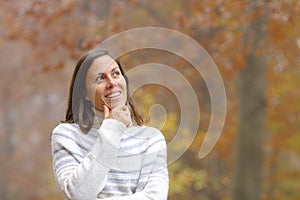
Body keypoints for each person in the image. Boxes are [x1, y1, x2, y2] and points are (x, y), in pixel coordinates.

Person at [51, 48, 169, 200]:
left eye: (116, 74)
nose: (112, 83)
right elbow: (78, 195)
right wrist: (112, 129)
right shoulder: (67, 136)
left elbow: (155, 198)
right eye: (100, 78)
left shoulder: (151, 139)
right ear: (85, 93)